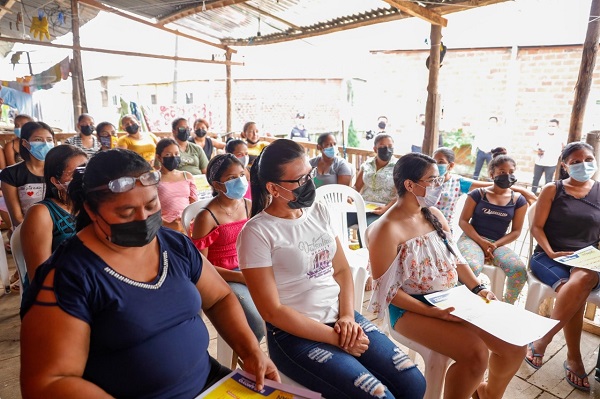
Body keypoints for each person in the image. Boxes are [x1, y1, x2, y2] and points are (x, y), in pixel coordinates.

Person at [20, 149, 279, 398]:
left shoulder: (174, 245)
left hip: (210, 384)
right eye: (126, 212)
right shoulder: (68, 276)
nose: (143, 218)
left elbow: (219, 298)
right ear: (91, 210)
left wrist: (251, 350)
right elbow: (48, 383)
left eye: (151, 204)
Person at [237, 139, 426, 399]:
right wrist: (336, 338)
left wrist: (348, 317)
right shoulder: (257, 232)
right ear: (273, 188)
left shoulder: (318, 211)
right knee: (379, 396)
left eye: (309, 175)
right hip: (294, 335)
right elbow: (273, 311)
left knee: (414, 383)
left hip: (341, 319)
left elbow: (341, 271)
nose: (309, 184)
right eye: (300, 180)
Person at [368, 152, 526, 399]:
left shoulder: (433, 214)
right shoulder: (386, 229)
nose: (439, 185)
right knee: (475, 354)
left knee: (514, 343)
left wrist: (478, 289)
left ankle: (488, 394)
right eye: (433, 180)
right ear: (410, 185)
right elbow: (387, 292)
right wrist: (432, 312)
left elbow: (457, 260)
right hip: (412, 309)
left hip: (454, 299)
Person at [525, 142, 600, 391]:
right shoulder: (552, 189)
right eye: (575, 161)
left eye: (588, 159)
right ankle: (574, 358)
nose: (583, 165)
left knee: (583, 278)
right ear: (564, 165)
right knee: (574, 290)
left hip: (585, 261)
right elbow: (536, 227)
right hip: (549, 256)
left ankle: (542, 339)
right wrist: (551, 251)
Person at [191, 154, 263, 342]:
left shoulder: (250, 206)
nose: (240, 180)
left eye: (241, 174)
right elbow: (201, 266)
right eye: (231, 178)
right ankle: (249, 356)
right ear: (217, 185)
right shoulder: (206, 217)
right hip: (222, 275)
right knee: (255, 320)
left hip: (250, 268)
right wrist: (239, 276)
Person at [457, 149, 528, 304]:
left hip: (497, 244)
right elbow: (463, 221)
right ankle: (462, 304)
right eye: (502, 171)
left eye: (511, 172)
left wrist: (494, 245)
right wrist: (482, 242)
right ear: (491, 174)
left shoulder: (518, 200)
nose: (507, 175)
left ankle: (505, 305)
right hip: (471, 239)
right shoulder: (478, 194)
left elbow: (516, 232)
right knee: (471, 266)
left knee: (519, 270)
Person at [20, 145, 87, 287]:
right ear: (56, 182)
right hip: (57, 291)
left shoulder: (92, 205)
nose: (82, 177)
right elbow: (39, 278)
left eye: (85, 170)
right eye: (75, 173)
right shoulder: (41, 213)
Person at [434, 147, 536, 230]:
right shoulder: (424, 180)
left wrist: (523, 191)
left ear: (451, 166)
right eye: (434, 161)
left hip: (443, 229)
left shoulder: (457, 182)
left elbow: (489, 186)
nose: (436, 165)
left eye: (441, 162)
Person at [0, 121, 54, 228]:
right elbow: (17, 219)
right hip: (28, 231)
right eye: (38, 140)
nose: (45, 144)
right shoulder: (11, 174)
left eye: (49, 140)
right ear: (25, 143)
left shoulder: (59, 171)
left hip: (59, 231)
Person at [353, 134, 397, 225]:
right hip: (363, 206)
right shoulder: (367, 164)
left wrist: (386, 209)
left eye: (390, 146)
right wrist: (350, 196)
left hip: (384, 209)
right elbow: (356, 186)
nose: (387, 149)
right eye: (382, 146)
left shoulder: (398, 167)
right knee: (337, 220)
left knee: (366, 229)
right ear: (375, 149)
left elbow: (400, 195)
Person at [156, 138, 198, 233]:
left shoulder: (187, 176)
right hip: (164, 228)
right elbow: (150, 209)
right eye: (168, 154)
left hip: (187, 225)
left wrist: (190, 221)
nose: (173, 157)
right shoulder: (153, 179)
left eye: (176, 154)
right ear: (159, 157)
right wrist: (168, 224)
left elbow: (193, 203)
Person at [531, 119, 564, 194]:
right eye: (549, 126)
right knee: (536, 179)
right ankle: (532, 193)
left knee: (548, 180)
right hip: (539, 161)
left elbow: (563, 146)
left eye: (553, 126)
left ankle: (545, 195)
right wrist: (537, 150)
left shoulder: (560, 136)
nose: (551, 127)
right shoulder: (541, 134)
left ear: (557, 126)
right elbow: (533, 144)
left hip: (552, 162)